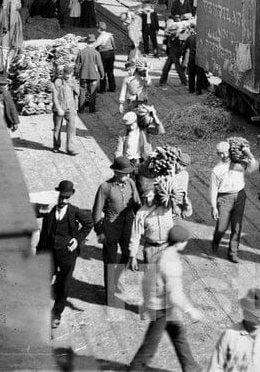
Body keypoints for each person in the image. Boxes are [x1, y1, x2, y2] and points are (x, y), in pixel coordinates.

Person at [128, 223, 200, 372]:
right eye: (185, 241)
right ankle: (135, 369)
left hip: (158, 303)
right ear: (180, 243)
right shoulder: (171, 262)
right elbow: (175, 295)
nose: (186, 243)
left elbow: (147, 280)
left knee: (178, 334)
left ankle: (191, 368)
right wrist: (190, 310)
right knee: (151, 345)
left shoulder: (160, 253)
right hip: (161, 307)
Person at [36, 179, 91, 328]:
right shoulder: (49, 211)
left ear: (70, 197)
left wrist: (77, 239)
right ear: (57, 195)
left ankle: (56, 313)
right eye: (61, 196)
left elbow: (88, 224)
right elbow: (44, 234)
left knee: (64, 283)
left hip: (67, 254)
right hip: (50, 253)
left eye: (66, 197)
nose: (63, 200)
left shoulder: (75, 212)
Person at [92, 156, 141, 301]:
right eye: (124, 173)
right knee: (110, 261)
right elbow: (96, 212)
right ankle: (109, 293)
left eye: (128, 173)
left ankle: (114, 280)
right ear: (116, 172)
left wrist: (145, 214)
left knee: (127, 255)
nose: (127, 175)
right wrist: (99, 231)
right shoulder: (105, 187)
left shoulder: (131, 183)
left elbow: (137, 204)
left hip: (128, 226)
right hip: (110, 228)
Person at [207, 288, 260, 372]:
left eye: (257, 314)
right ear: (245, 312)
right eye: (252, 313)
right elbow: (216, 366)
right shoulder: (230, 335)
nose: (256, 317)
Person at [210, 140, 257, 263]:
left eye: (225, 153)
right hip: (224, 198)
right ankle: (216, 240)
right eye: (220, 153)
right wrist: (214, 207)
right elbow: (213, 189)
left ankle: (233, 252)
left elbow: (253, 167)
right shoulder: (217, 169)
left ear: (229, 152)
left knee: (237, 226)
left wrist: (248, 153)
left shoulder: (239, 164)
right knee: (222, 227)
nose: (223, 156)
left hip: (240, 196)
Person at [129, 188, 177, 269]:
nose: (147, 200)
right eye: (145, 197)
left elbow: (185, 212)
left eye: (150, 196)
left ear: (156, 196)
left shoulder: (167, 207)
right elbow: (135, 235)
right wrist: (133, 257)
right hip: (150, 248)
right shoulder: (141, 213)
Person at [52, 64, 80, 156]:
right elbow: (55, 97)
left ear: (72, 74)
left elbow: (76, 95)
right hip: (59, 108)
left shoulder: (73, 81)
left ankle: (71, 148)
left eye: (69, 74)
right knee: (57, 128)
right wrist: (58, 108)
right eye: (66, 73)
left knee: (71, 128)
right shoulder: (58, 81)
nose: (67, 75)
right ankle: (56, 146)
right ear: (63, 73)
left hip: (70, 108)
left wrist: (75, 108)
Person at [75, 34, 105, 113]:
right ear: (94, 42)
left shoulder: (81, 52)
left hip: (83, 76)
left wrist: (76, 74)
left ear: (86, 42)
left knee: (82, 92)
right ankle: (92, 110)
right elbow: (99, 65)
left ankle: (81, 109)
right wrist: (102, 74)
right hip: (93, 76)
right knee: (93, 93)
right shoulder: (96, 53)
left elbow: (77, 65)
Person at [159, 22, 188, 87]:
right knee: (166, 68)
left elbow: (179, 43)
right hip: (171, 53)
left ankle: (184, 82)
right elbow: (167, 41)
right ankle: (162, 81)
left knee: (177, 68)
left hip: (175, 54)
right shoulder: (171, 35)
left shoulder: (179, 37)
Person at [92, 21, 118, 92]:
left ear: (99, 29)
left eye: (98, 28)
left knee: (102, 71)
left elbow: (95, 45)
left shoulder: (100, 37)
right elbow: (114, 46)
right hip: (111, 54)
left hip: (104, 54)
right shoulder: (110, 35)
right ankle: (112, 87)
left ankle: (102, 89)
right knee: (110, 71)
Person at [170, 152, 194, 220]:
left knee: (187, 211)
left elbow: (183, 192)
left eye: (184, 166)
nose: (181, 168)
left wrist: (185, 204)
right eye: (180, 164)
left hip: (177, 201)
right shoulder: (169, 172)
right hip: (167, 201)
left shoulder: (185, 174)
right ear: (175, 161)